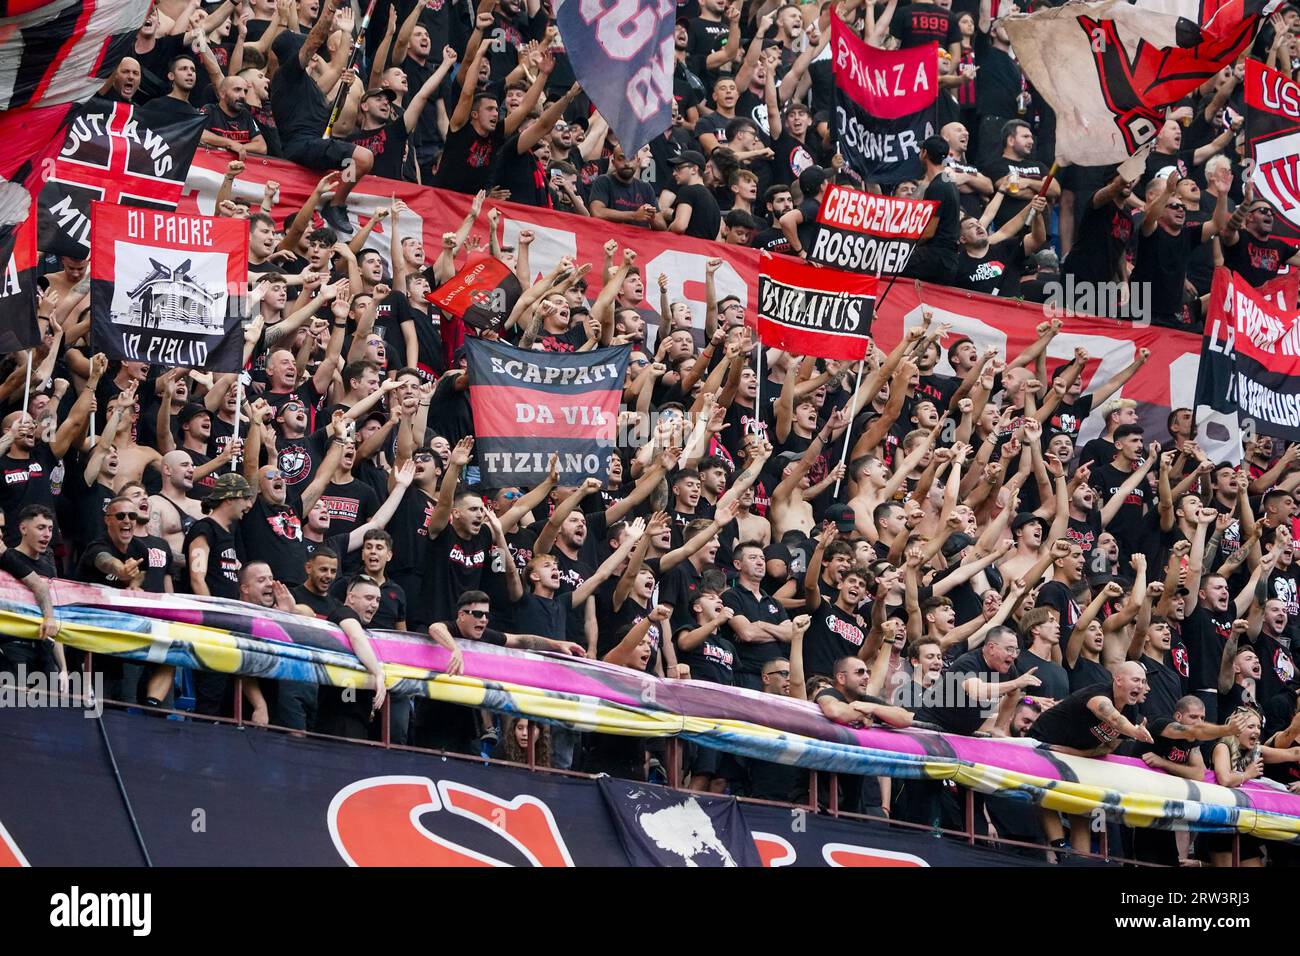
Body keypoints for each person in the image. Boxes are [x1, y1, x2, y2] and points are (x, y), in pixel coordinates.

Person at [1029, 663, 1154, 857]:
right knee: (1047, 794)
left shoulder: (1130, 711)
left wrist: (1078, 754)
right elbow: (1112, 718)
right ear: (1118, 680)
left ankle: (1081, 859)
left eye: (1143, 682)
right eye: (1136, 680)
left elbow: (1107, 747)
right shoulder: (1099, 696)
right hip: (1043, 744)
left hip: (1075, 753)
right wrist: (1135, 732)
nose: (1141, 686)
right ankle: (1060, 849)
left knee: (1080, 806)